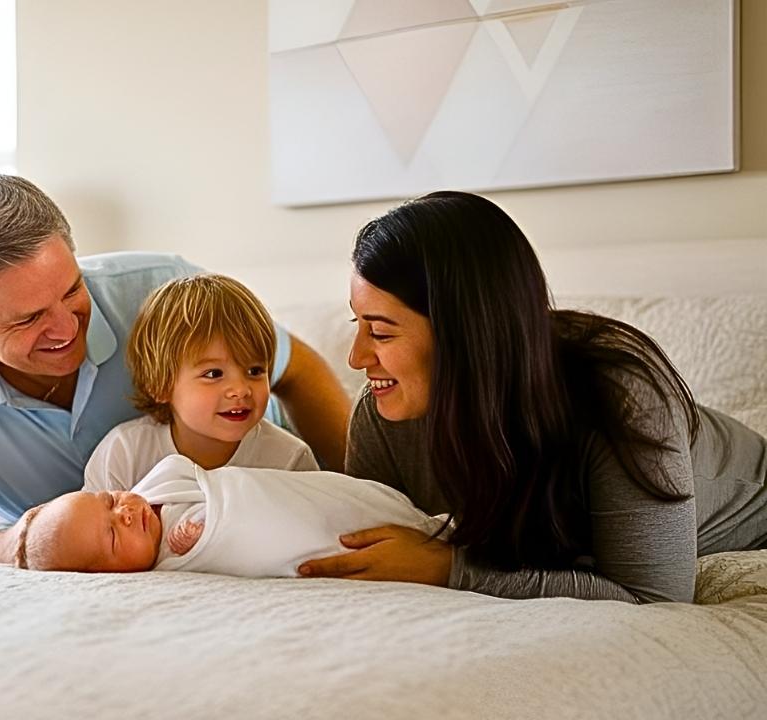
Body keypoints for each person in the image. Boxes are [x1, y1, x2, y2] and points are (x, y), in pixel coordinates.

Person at [297, 190, 767, 603]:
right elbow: (373, 551)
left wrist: (447, 569)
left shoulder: (624, 399)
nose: (356, 358)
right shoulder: (381, 415)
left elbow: (655, 596)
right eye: (355, 323)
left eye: (379, 332)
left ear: (464, 333)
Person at [0, 174, 352, 566]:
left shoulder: (165, 292)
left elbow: (298, 369)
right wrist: (21, 542)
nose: (66, 330)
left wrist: (367, 490)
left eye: (71, 290)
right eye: (28, 318)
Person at [17, 455, 443, 577]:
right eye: (112, 537)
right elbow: (236, 535)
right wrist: (196, 538)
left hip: (299, 499)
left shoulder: (155, 489)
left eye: (110, 500)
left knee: (341, 502)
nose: (126, 513)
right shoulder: (166, 561)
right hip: (292, 533)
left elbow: (185, 471)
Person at [83, 273, 318, 494]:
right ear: (161, 385)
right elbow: (87, 533)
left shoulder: (290, 460)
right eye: (214, 374)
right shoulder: (124, 454)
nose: (240, 390)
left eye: (255, 371)